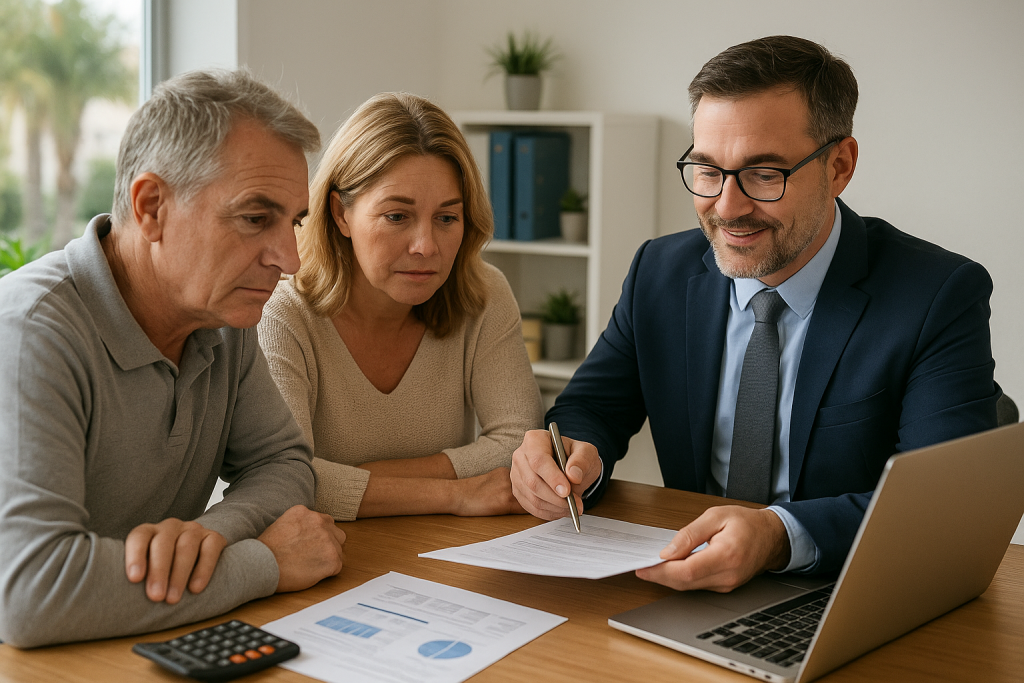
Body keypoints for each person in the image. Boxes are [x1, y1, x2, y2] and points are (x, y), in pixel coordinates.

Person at [510, 36, 999, 591]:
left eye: (764, 174)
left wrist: (778, 537)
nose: (727, 206)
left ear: (839, 166)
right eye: (707, 169)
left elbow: (941, 506)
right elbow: (594, 406)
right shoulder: (660, 272)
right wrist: (570, 456)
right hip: (684, 586)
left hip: (850, 595)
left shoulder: (936, 294)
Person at [0, 69, 347, 648]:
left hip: (134, 644)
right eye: (256, 219)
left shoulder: (221, 315)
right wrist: (261, 563)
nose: (289, 259)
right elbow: (33, 594)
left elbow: (284, 463)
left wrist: (208, 534)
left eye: (293, 223)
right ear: (151, 206)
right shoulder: (31, 332)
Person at [257, 93, 543, 521]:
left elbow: (520, 445)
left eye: (447, 218)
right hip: (328, 560)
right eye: (396, 216)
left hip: (447, 553)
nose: (426, 247)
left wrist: (356, 480)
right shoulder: (281, 314)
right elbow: (285, 482)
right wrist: (456, 494)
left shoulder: (483, 292)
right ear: (339, 214)